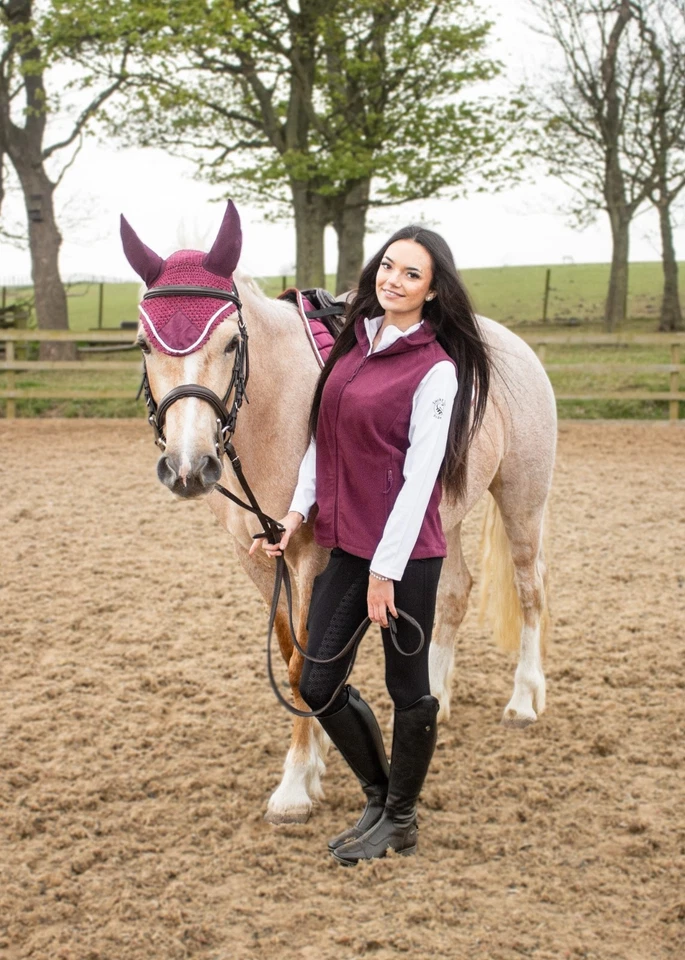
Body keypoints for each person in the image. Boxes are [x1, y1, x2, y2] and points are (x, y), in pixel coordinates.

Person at [250, 224, 490, 865]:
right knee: (319, 682)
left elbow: (421, 480)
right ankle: (382, 798)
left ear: (434, 292)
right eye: (389, 267)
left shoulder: (436, 371)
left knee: (406, 685)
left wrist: (387, 572)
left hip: (406, 554)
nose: (394, 280)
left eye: (412, 274)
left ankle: (402, 819)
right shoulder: (354, 345)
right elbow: (322, 444)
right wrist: (293, 515)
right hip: (346, 543)